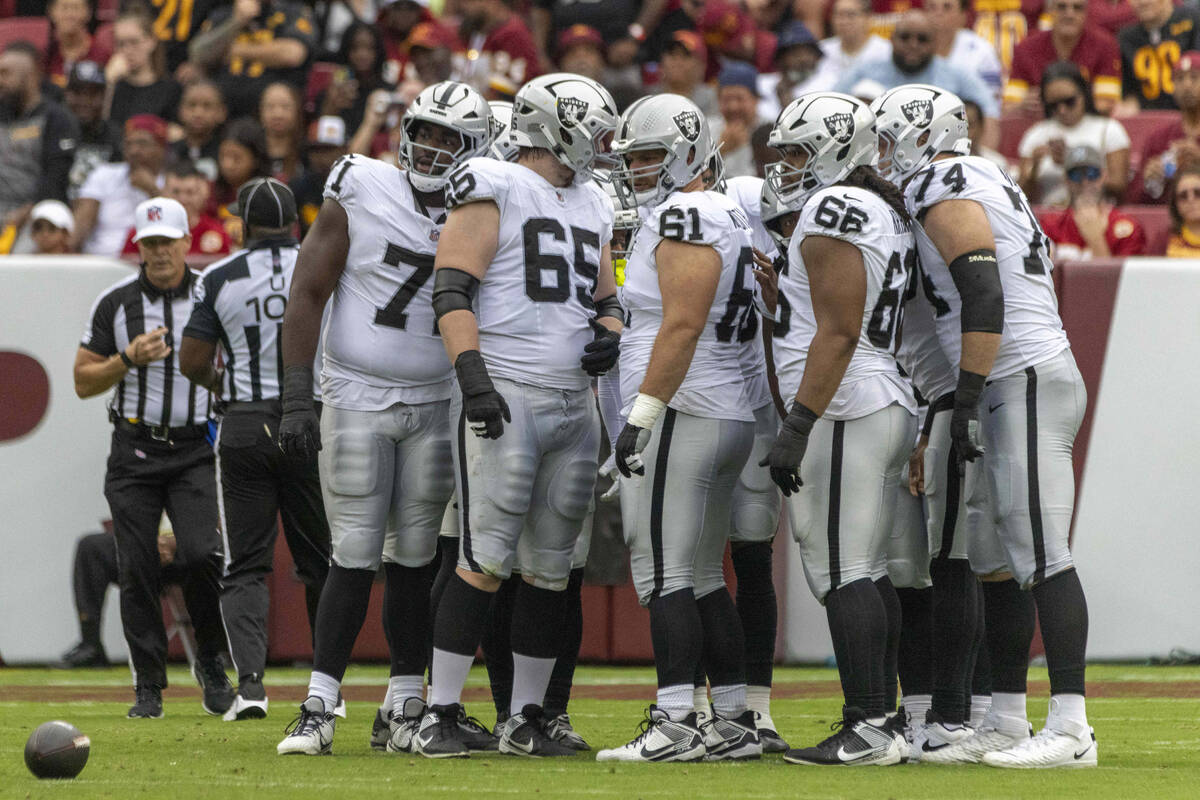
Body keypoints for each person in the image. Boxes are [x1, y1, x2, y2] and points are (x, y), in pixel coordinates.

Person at [877, 85, 1097, 770]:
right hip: (1016, 374)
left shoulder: (947, 177)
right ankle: (1005, 717)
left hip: (1019, 375)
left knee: (1042, 554)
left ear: (922, 135)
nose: (883, 154)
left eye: (889, 138)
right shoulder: (983, 173)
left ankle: (1072, 726)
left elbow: (983, 290)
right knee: (1000, 563)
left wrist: (965, 397)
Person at [273, 81, 495, 757]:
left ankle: (404, 704)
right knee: (354, 551)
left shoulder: (484, 205)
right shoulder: (363, 183)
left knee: (414, 556)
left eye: (447, 138)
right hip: (357, 394)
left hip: (436, 398)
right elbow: (308, 287)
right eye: (423, 131)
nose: (430, 147)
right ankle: (318, 704)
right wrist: (293, 394)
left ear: (474, 149)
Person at [414, 73, 619, 759]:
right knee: (484, 557)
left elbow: (605, 296)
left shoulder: (594, 198)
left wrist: (610, 330)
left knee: (550, 567)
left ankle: (525, 718)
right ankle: (438, 710)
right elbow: (451, 287)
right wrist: (472, 377)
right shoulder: (492, 181)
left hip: (571, 401)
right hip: (509, 390)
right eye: (593, 127)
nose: (603, 143)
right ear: (555, 123)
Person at [594, 97, 758, 764]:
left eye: (649, 156)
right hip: (721, 409)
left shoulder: (686, 213)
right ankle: (731, 718)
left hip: (686, 408)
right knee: (700, 574)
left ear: (689, 153)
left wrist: (640, 416)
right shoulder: (725, 211)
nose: (636, 170)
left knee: (662, 571)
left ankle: (675, 721)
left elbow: (683, 325)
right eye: (629, 158)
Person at [762, 92, 915, 767]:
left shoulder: (833, 207)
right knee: (866, 567)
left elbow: (840, 329)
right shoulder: (877, 206)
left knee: (842, 566)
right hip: (878, 396)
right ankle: (886, 717)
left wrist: (798, 422)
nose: (788, 164)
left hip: (848, 401)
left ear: (834, 149)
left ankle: (870, 724)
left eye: (799, 150)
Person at [73, 196, 234, 720]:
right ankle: (148, 682)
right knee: (136, 562)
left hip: (193, 447)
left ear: (188, 242)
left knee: (200, 553)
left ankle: (210, 659)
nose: (160, 252)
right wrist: (127, 358)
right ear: (138, 248)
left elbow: (239, 361)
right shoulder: (115, 302)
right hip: (135, 448)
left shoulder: (213, 295)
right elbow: (81, 379)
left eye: (168, 242)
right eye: (150, 244)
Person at [178, 178, 331, 721]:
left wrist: (227, 388)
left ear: (243, 222)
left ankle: (251, 687)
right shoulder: (324, 261)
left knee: (245, 564)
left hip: (244, 423)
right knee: (322, 562)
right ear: (297, 221)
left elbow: (193, 359)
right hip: (311, 417)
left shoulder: (218, 276)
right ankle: (324, 688)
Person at [721, 172, 791, 753]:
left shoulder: (751, 201)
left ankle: (756, 708)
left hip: (754, 406)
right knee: (690, 565)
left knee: (746, 559)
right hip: (708, 399)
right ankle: (700, 706)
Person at [835, 11, 1000, 151]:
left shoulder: (956, 75)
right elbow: (832, 104)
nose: (913, 45)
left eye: (922, 39)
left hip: (936, 158)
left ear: (935, 43)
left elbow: (989, 118)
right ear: (891, 39)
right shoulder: (866, 71)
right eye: (905, 37)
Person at [56, 527, 183, 668]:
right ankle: (91, 644)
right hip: (150, 541)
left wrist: (176, 541)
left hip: (192, 545)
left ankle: (208, 653)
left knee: (199, 550)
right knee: (91, 547)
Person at [0, 41, 78, 252]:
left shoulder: (56, 119)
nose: (1, 80)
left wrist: (28, 211)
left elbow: (55, 178)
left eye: (6, 74)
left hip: (34, 215)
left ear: (32, 75)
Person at [1017, 62, 1130, 207]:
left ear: (1084, 94)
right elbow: (1019, 196)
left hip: (1095, 213)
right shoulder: (1036, 135)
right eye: (1054, 105)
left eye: (1069, 102)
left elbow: (1119, 186)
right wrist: (1034, 169)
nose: (1062, 110)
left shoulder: (1109, 129)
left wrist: (1073, 162)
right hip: (1048, 217)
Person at [189, 0, 316, 118]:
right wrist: (237, 21)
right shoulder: (224, 14)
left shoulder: (292, 12)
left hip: (270, 107)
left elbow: (293, 54)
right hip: (222, 107)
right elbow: (198, 54)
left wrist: (236, 50)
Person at [73, 114, 167, 257]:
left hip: (149, 263)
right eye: (129, 144)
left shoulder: (171, 181)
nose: (134, 151)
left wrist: (152, 190)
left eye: (142, 144)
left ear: (161, 148)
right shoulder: (104, 173)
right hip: (100, 260)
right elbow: (81, 225)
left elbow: (181, 225)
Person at [1004, 0, 1122, 115]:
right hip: (1040, 127)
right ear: (1049, 11)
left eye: (1077, 8)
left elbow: (1107, 103)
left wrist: (1057, 102)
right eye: (1061, 7)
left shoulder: (1105, 45)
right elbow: (1008, 107)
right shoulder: (1026, 48)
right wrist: (1023, 105)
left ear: (1086, 12)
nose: (1069, 14)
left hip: (1090, 126)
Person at [1040, 145, 1147, 260]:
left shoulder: (1128, 228)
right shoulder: (1049, 226)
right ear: (1065, 180)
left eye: (1092, 173)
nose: (1085, 182)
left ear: (1104, 176)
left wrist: (1096, 239)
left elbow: (1123, 277)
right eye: (1076, 175)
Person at [121, 163, 233, 259]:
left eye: (190, 192)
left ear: (203, 194)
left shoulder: (217, 233)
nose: (183, 199)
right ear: (164, 192)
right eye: (176, 192)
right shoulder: (142, 233)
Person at [1136, 51, 1200, 203]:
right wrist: (1150, 180)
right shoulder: (1158, 139)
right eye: (1179, 79)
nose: (1187, 85)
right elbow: (1137, 198)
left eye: (1194, 77)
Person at [1117, 0, 1200, 113]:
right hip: (1149, 119)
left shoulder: (1193, 22)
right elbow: (1129, 93)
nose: (1142, 2)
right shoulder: (1126, 38)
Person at [106, 7, 182, 128]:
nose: (127, 50)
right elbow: (104, 128)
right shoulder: (114, 85)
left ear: (151, 41)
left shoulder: (171, 89)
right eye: (120, 44)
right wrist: (110, 84)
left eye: (134, 42)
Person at [319, 21, 396, 135]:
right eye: (355, 48)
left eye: (369, 48)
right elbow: (322, 134)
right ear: (346, 50)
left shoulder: (389, 92)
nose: (362, 55)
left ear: (378, 52)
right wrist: (332, 106)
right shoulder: (334, 91)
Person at [456, 0, 542, 98]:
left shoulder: (513, 34)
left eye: (470, 2)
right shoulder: (478, 29)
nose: (463, 6)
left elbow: (512, 92)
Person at [926, 0, 1003, 107]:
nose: (939, 13)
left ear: (963, 16)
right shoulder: (912, 49)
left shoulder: (981, 51)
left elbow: (992, 104)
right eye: (932, 7)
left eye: (947, 7)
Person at [63, 60, 118, 200]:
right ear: (66, 95)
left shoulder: (115, 136)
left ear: (105, 96)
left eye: (93, 94)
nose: (84, 101)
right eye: (77, 93)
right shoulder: (53, 132)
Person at [811, 0, 892, 93]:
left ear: (868, 17)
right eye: (838, 15)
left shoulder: (886, 51)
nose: (844, 21)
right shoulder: (821, 50)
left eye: (851, 15)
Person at [757, 21, 824, 122]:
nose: (802, 60)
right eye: (795, 54)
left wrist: (787, 101)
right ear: (780, 59)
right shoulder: (762, 83)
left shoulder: (829, 83)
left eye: (806, 53)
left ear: (816, 56)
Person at [292, 116, 349, 235]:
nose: (322, 158)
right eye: (316, 150)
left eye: (328, 150)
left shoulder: (358, 188)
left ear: (344, 150)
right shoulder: (298, 188)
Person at [713, 61, 768, 180]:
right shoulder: (706, 129)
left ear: (756, 99)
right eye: (727, 99)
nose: (733, 107)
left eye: (740, 98)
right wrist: (721, 150)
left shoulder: (770, 130)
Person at [44, 0, 111, 89]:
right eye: (64, 8)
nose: (70, 15)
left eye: (76, 8)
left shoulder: (102, 55)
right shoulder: (45, 56)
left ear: (89, 13)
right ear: (51, 12)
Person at [653, 31, 717, 119]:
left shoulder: (710, 99)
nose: (677, 62)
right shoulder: (650, 98)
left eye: (685, 56)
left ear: (701, 65)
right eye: (672, 54)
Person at [259, 82, 305, 182]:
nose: (278, 114)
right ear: (260, 111)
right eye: (270, 106)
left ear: (297, 110)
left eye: (285, 107)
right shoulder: (252, 151)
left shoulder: (307, 151)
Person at [1166, 166, 1200, 256]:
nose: (1191, 199)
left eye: (1198, 193)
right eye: (1183, 196)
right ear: (1175, 205)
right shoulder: (1165, 240)